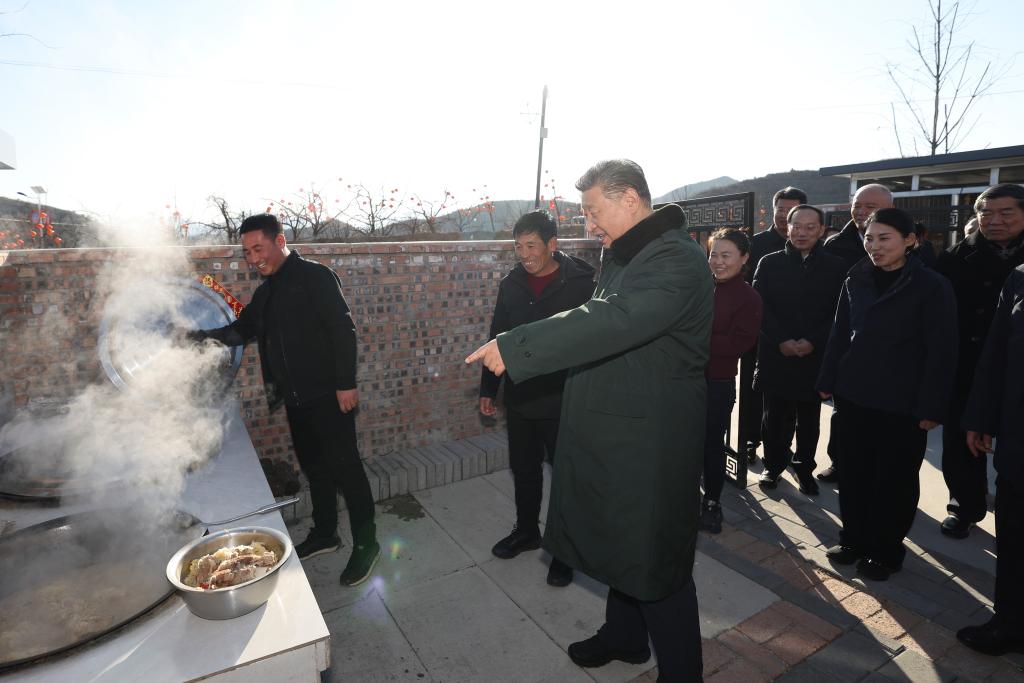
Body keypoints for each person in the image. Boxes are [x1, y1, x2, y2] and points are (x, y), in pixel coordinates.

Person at [466, 159, 712, 681]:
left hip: (652, 437)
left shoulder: (674, 257)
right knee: (624, 545)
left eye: (594, 211)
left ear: (630, 200)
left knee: (655, 559)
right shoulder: (629, 253)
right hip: (623, 429)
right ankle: (625, 637)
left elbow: (613, 319)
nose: (589, 224)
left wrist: (519, 345)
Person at [189, 214, 379, 586]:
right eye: (247, 252)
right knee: (315, 468)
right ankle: (326, 533)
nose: (253, 258)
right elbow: (241, 330)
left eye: (258, 248)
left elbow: (343, 330)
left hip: (329, 395)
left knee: (347, 471)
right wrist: (194, 338)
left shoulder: (316, 277)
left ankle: (366, 544)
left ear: (280, 241)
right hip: (295, 400)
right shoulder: (267, 293)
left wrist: (346, 384)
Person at [818, 208, 957, 581]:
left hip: (902, 402)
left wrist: (932, 406)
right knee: (854, 473)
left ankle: (885, 550)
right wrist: (828, 378)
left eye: (884, 238)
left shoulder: (932, 285)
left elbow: (942, 351)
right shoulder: (857, 277)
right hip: (854, 394)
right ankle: (853, 540)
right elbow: (839, 331)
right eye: (869, 238)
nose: (874, 246)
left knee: (893, 480)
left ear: (910, 240)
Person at [479, 210, 595, 586]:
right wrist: (488, 389)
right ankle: (527, 531)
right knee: (524, 469)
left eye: (532, 245)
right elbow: (497, 337)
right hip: (522, 395)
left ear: (552, 244)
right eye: (518, 247)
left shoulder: (582, 283)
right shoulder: (511, 284)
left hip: (565, 398)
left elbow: (595, 339)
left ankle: (565, 549)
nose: (525, 254)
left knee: (565, 476)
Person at [936, 184, 1024, 539]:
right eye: (986, 213)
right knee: (962, 444)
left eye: (1006, 213)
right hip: (967, 367)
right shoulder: (955, 257)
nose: (994, 220)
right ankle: (964, 506)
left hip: (1015, 368)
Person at [752, 205, 846, 496]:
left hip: (814, 356)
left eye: (810, 227)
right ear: (787, 227)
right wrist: (781, 339)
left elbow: (839, 313)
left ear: (821, 230)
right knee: (774, 417)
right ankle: (773, 466)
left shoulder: (836, 266)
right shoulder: (769, 262)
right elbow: (759, 306)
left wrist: (813, 341)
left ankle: (804, 468)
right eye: (797, 226)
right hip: (776, 353)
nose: (802, 232)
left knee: (809, 419)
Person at [957, 264, 1024, 656]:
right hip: (1018, 438)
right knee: (1014, 536)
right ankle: (1009, 624)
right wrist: (981, 418)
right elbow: (996, 352)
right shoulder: (1019, 277)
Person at [818, 183, 894, 483]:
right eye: (857, 205)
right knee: (844, 413)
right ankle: (840, 462)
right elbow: (826, 300)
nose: (861, 211)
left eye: (870, 207)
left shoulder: (914, 246)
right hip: (849, 347)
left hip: (894, 352)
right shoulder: (835, 245)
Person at [737, 187, 807, 464]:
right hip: (758, 331)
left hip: (797, 336)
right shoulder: (755, 244)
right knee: (753, 392)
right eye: (780, 209)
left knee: (788, 399)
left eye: (791, 210)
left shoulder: (810, 246)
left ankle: (781, 449)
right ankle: (749, 440)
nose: (783, 215)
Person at [699, 229, 762, 533]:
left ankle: (712, 503)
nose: (718, 262)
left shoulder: (748, 297)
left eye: (726, 255)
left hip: (717, 383)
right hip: (681, 380)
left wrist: (694, 339)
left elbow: (739, 343)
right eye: (714, 254)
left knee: (712, 446)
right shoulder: (697, 286)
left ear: (744, 258)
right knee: (681, 443)